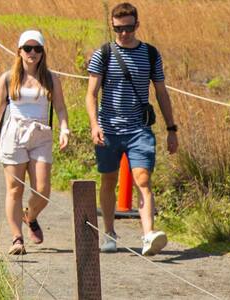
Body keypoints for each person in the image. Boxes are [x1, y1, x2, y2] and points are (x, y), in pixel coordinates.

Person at [84, 2, 178, 256]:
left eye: (128, 28)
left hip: (139, 129)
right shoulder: (102, 54)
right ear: (112, 26)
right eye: (118, 29)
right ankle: (109, 233)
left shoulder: (150, 54)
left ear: (137, 25)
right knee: (108, 180)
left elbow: (161, 92)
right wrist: (95, 125)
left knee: (143, 179)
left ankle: (148, 235)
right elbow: (91, 94)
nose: (124, 33)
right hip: (109, 129)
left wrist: (171, 129)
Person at [0, 30, 70, 255]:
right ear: (19, 51)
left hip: (40, 134)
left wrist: (64, 129)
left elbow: (61, 108)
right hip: (13, 134)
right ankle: (17, 238)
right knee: (14, 188)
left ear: (43, 52)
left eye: (37, 49)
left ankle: (30, 217)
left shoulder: (51, 78)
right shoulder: (8, 78)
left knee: (42, 191)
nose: (32, 53)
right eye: (27, 48)